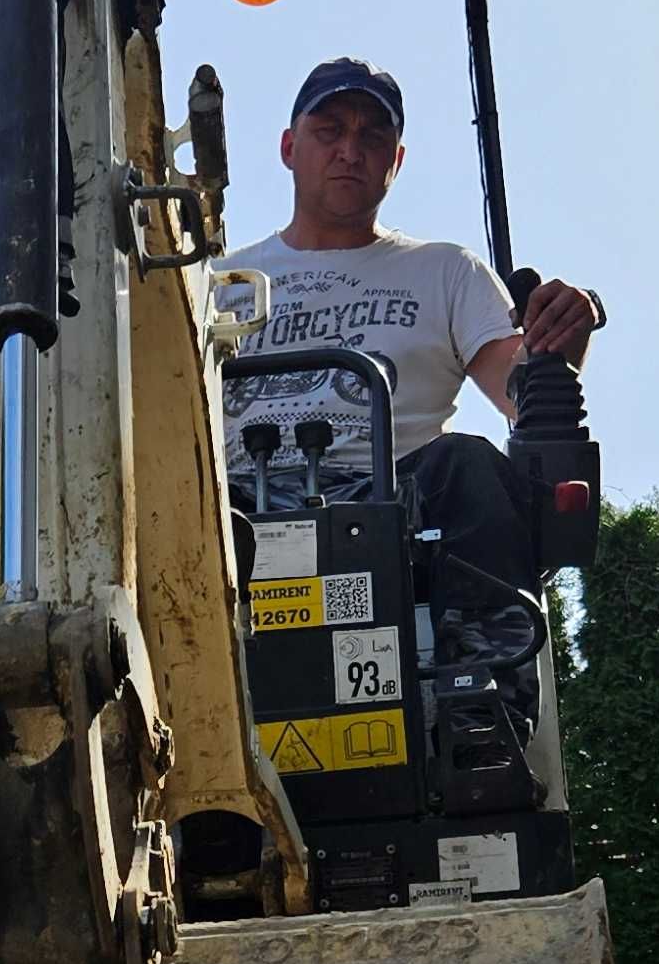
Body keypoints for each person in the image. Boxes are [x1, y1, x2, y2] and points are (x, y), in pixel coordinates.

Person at [219, 56, 603, 640]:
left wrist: (562, 338)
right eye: (330, 132)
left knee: (469, 464)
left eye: (373, 136)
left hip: (392, 499)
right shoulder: (218, 281)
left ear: (395, 163)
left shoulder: (444, 271)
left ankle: (482, 687)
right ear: (289, 147)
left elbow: (517, 386)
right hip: (234, 500)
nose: (350, 150)